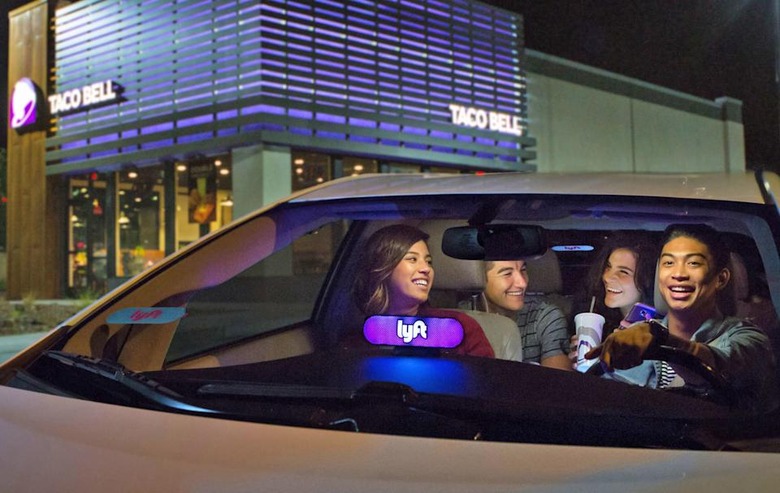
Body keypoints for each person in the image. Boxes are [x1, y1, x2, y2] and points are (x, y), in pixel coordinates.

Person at [586, 224, 779, 413]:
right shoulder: (635, 339)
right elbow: (592, 395)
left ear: (721, 279)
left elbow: (725, 366)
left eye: (693, 263)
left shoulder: (749, 339)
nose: (678, 274)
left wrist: (661, 339)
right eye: (669, 263)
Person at [352, 224, 495, 358]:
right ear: (384, 267)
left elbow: (486, 374)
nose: (426, 269)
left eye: (429, 262)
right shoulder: (358, 337)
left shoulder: (461, 326)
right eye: (412, 259)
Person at [568, 234, 658, 368]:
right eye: (608, 267)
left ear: (646, 280)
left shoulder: (656, 331)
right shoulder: (600, 319)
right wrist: (584, 364)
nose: (607, 277)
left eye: (624, 272)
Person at [475, 259, 571, 369]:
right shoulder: (461, 319)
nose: (523, 283)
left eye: (523, 270)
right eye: (507, 274)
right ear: (480, 279)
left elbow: (556, 378)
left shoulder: (544, 316)